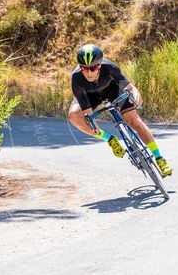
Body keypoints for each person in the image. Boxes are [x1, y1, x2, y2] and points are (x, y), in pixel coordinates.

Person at [67, 43, 172, 177]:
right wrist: (92, 124)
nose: (88, 72)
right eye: (84, 69)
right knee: (74, 115)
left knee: (134, 121)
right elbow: (84, 105)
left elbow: (129, 87)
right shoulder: (76, 77)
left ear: (99, 65)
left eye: (92, 68)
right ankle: (110, 139)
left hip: (113, 90)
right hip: (90, 96)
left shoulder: (109, 67)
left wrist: (136, 95)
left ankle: (159, 158)